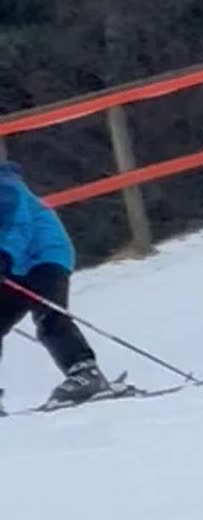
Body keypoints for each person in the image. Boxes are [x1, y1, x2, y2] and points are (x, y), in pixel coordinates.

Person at [0, 160, 109, 407]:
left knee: (49, 314)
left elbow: (17, 225)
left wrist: (3, 256)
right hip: (13, 265)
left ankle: (85, 371)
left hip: (44, 254)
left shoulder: (6, 187)